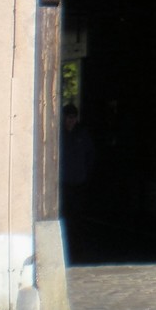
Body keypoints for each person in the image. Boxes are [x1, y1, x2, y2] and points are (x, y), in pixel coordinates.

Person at [60, 103, 95, 258]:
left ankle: (78, 247)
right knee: (65, 214)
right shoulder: (59, 134)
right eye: (69, 118)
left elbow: (90, 154)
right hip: (63, 183)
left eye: (73, 118)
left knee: (78, 216)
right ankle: (66, 245)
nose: (71, 121)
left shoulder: (82, 134)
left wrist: (86, 173)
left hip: (79, 181)